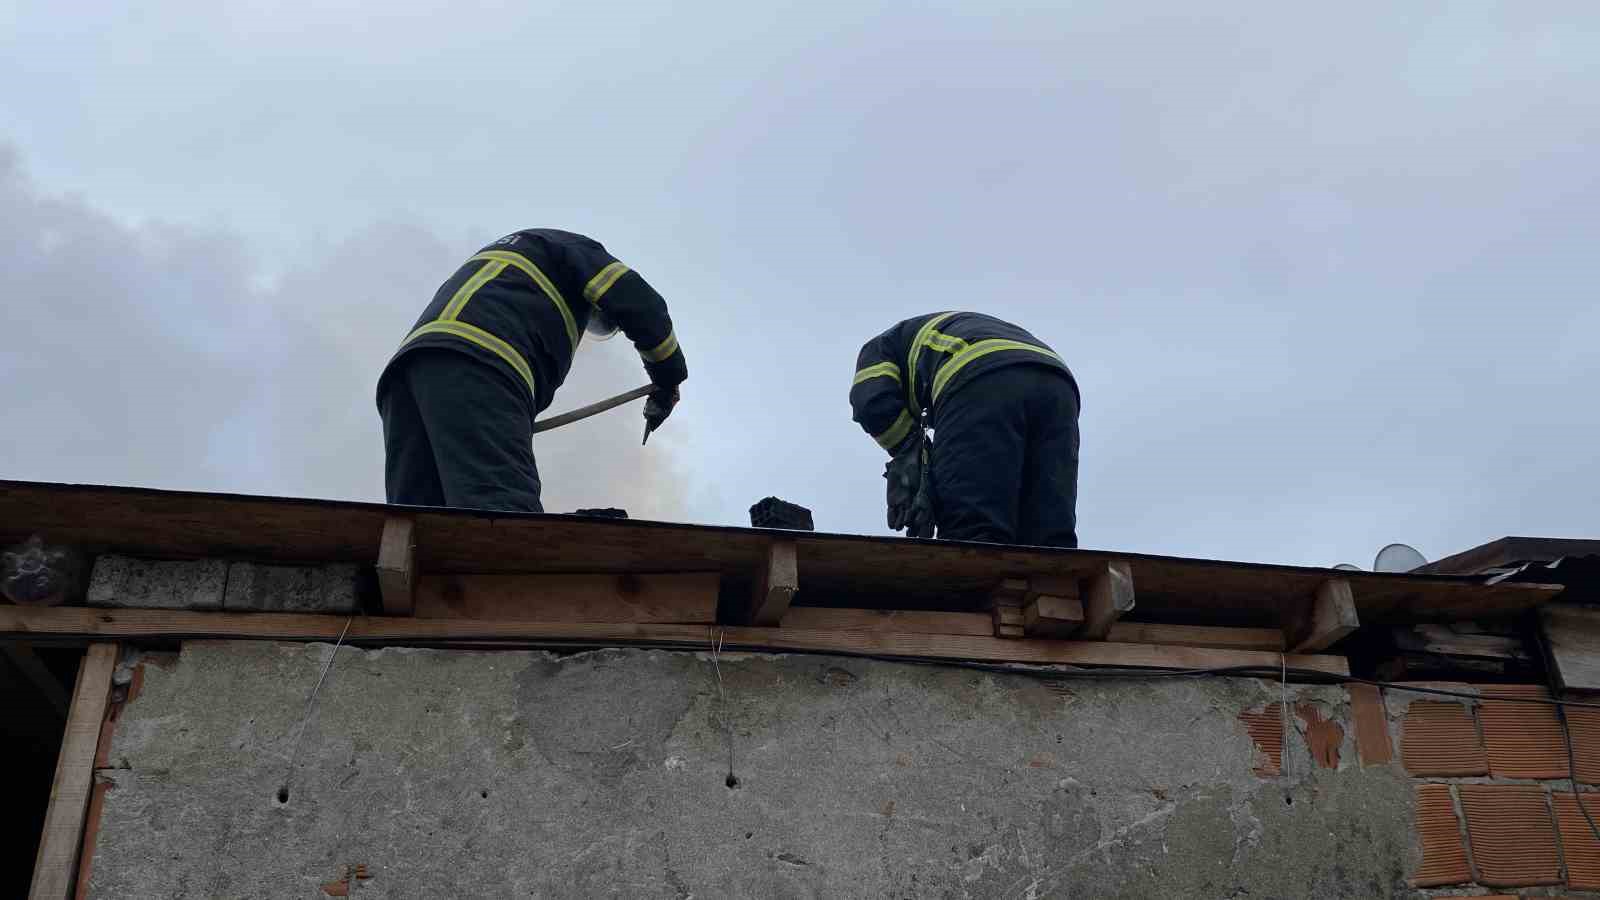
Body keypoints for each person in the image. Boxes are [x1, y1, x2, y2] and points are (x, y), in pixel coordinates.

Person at [377, 228, 685, 511]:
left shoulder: (514, 258)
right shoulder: (577, 250)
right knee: (501, 514)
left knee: (420, 522)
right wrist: (668, 376)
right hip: (481, 365)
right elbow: (642, 304)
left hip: (406, 376)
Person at [849, 312, 1079, 547]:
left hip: (978, 372)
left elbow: (870, 402)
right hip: (1057, 384)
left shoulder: (879, 348)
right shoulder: (941, 332)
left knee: (973, 528)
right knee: (1049, 531)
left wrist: (909, 450)